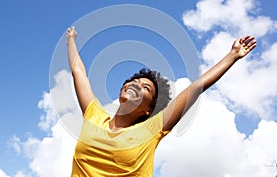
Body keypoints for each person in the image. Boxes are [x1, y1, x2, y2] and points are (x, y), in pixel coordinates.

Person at [66, 26, 256, 177]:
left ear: (148, 109)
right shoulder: (94, 116)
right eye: (134, 81)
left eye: (146, 88)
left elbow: (195, 88)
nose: (137, 85)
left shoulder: (151, 130)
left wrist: (232, 56)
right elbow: (79, 72)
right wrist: (71, 40)